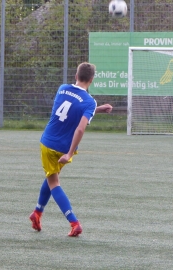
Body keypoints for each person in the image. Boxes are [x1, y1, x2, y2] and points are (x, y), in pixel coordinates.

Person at [29, 62, 113, 237]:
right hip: (64, 147)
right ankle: (48, 216)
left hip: (48, 143)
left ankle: (56, 218)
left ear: (76, 76)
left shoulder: (62, 88)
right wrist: (69, 153)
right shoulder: (90, 101)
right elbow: (80, 125)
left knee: (53, 180)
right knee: (53, 179)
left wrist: (97, 110)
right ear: (91, 80)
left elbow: (70, 109)